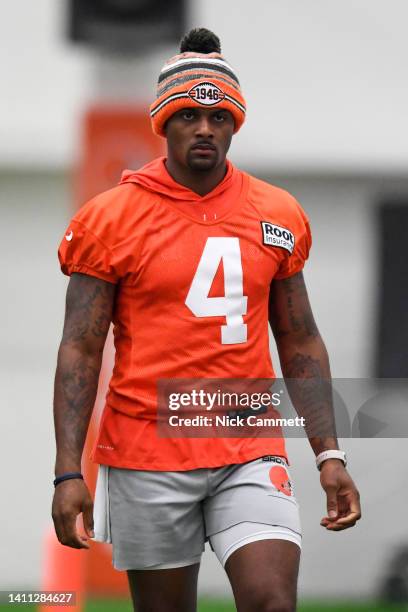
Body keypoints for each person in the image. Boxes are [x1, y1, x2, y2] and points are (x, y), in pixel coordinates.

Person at [52, 27, 361, 612]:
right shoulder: (110, 219)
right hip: (147, 447)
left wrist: (330, 454)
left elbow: (299, 338)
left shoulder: (277, 212)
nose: (204, 127)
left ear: (234, 125)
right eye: (189, 114)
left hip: (249, 442)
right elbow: (80, 349)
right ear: (163, 123)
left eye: (219, 116)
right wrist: (68, 472)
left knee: (272, 601)